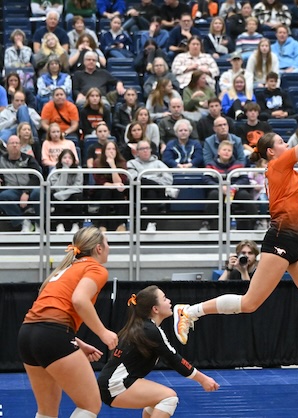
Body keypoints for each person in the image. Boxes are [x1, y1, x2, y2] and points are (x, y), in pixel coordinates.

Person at [172, 91, 298, 390]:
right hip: (281, 237)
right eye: (282, 143)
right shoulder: (279, 165)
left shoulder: (285, 169)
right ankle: (189, 311)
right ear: (271, 152)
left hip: (296, 241)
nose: (287, 145)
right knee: (249, 303)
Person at [17, 226, 118, 418]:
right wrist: (103, 332)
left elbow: (46, 315)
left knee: (46, 412)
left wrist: (77, 342)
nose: (108, 248)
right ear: (98, 248)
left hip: (28, 335)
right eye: (107, 243)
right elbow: (80, 300)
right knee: (90, 406)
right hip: (52, 335)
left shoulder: (67, 268)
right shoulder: (95, 268)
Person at [97, 285, 218, 416]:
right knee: (169, 398)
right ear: (155, 309)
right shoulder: (150, 331)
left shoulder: (143, 327)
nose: (169, 301)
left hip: (110, 383)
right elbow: (175, 360)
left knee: (156, 402)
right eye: (165, 299)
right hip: (115, 385)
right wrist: (203, 379)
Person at [202, 139, 256, 230]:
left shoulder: (238, 165)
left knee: (245, 195)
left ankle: (256, 221)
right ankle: (206, 223)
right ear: (218, 152)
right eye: (224, 150)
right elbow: (206, 179)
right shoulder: (211, 165)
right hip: (218, 191)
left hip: (234, 191)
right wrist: (219, 187)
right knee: (213, 194)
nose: (226, 152)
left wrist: (234, 187)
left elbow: (245, 179)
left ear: (232, 153)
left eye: (229, 150)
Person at [127, 140, 173, 232]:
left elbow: (168, 179)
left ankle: (151, 223)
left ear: (151, 150)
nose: (145, 151)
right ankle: (151, 223)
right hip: (139, 193)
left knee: (151, 192)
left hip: (156, 194)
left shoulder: (159, 163)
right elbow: (133, 179)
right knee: (146, 186)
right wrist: (155, 181)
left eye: (147, 148)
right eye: (142, 149)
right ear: (137, 152)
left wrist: (147, 179)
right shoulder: (131, 163)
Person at [0, 135, 43, 233]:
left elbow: (36, 176)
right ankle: (23, 222)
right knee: (3, 196)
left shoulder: (28, 159)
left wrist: (26, 192)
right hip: (12, 189)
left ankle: (39, 224)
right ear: (7, 146)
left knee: (38, 193)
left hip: (30, 189)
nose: (14, 145)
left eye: (17, 143)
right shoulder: (1, 160)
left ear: (20, 146)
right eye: (12, 143)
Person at [92, 141, 129, 232]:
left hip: (118, 190)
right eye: (108, 149)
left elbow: (120, 181)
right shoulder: (97, 163)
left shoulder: (122, 162)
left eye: (113, 149)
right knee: (106, 191)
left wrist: (113, 166)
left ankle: (121, 224)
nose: (111, 151)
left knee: (118, 191)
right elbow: (100, 182)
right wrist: (114, 185)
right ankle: (102, 225)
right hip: (101, 190)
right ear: (104, 151)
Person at [50, 149, 84, 233]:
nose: (67, 160)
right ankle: (59, 225)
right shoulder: (54, 171)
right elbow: (58, 188)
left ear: (73, 160)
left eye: (69, 158)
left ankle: (76, 224)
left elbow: (78, 187)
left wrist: (64, 193)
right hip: (60, 193)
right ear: (60, 159)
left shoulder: (78, 170)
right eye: (65, 158)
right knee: (57, 197)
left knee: (77, 196)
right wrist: (64, 171)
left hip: (72, 194)